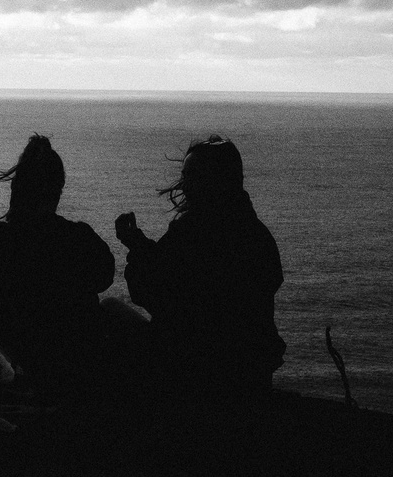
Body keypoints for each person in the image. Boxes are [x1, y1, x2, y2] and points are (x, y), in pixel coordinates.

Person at [114, 136, 284, 397]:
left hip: (191, 372)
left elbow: (152, 293)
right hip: (250, 376)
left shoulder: (193, 232)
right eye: (185, 175)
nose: (185, 184)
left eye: (192, 176)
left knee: (110, 310)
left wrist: (137, 251)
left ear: (214, 181)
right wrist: (140, 244)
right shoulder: (258, 236)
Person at [0, 135, 117, 396]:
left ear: (16, 187)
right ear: (57, 189)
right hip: (73, 370)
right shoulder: (80, 240)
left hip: (7, 370)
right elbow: (104, 278)